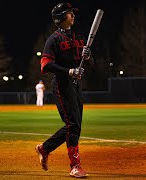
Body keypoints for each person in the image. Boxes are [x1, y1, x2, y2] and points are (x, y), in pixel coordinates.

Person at [35, 2, 92, 178]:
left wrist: (87, 58)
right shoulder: (54, 39)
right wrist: (69, 71)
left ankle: (45, 148)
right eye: (69, 13)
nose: (73, 16)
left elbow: (84, 64)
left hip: (75, 85)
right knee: (73, 125)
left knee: (74, 126)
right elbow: (45, 65)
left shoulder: (78, 37)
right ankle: (75, 166)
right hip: (61, 85)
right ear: (60, 18)